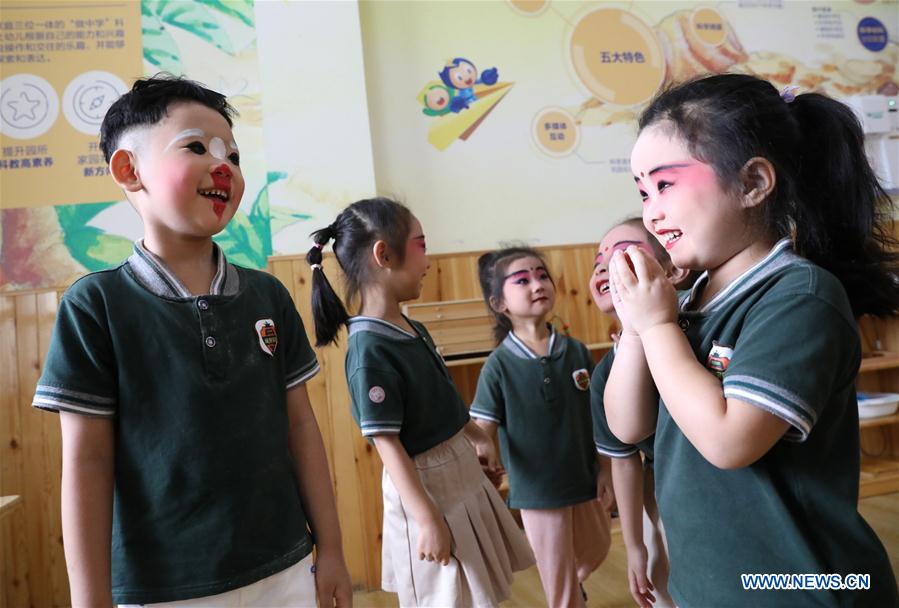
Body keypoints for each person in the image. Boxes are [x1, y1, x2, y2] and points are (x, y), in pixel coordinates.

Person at [32, 75, 351, 607]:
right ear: (129, 170)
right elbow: (87, 462)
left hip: (287, 568)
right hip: (162, 589)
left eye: (233, 155)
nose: (223, 167)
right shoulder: (95, 304)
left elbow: (301, 426)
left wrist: (333, 549)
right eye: (197, 147)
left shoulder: (268, 295)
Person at [605, 73, 899, 606]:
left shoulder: (800, 296)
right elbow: (627, 425)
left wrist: (658, 327)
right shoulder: (682, 301)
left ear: (753, 183)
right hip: (712, 587)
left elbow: (729, 441)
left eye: (666, 185)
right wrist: (635, 327)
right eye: (643, 192)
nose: (651, 211)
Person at [307, 198, 535, 607]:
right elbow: (387, 443)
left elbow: (441, 395)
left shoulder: (412, 327)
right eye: (421, 245)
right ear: (384, 254)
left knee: (479, 594)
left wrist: (475, 437)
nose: (428, 261)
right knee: (447, 596)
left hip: (458, 473)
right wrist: (427, 518)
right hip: (425, 487)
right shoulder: (370, 350)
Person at [468, 246, 612, 608]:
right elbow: (484, 426)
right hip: (537, 491)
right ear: (499, 303)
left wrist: (606, 469)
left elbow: (600, 415)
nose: (537, 284)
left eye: (542, 275)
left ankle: (572, 586)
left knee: (598, 547)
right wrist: (484, 453)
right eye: (522, 280)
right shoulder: (498, 365)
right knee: (558, 581)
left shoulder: (576, 351)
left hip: (584, 480)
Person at [589, 217, 693, 608]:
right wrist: (634, 545)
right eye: (598, 262)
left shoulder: (695, 333)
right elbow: (624, 459)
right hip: (661, 498)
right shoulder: (605, 374)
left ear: (674, 271)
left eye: (621, 253)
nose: (605, 267)